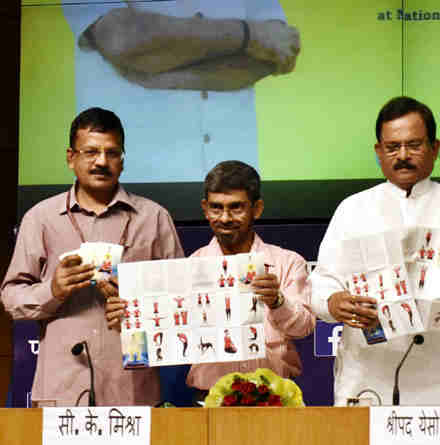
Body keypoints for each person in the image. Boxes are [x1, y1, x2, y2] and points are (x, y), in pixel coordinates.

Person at [310, 96, 440, 406]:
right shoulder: (352, 210)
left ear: (435, 148)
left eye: (414, 145)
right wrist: (334, 302)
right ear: (378, 152)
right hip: (372, 378)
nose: (403, 156)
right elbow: (320, 285)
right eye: (392, 147)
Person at [1, 107, 184, 406]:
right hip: (62, 392)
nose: (102, 162)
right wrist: (53, 290)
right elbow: (11, 298)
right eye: (91, 152)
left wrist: (141, 311)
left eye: (112, 153)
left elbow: (182, 301)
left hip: (132, 393)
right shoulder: (41, 218)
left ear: (123, 160)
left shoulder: (154, 218)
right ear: (71, 158)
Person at [106, 160, 314, 400]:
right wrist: (129, 319)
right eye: (216, 208)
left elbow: (304, 328)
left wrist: (277, 301)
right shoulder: (187, 268)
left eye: (236, 207)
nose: (225, 218)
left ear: (257, 208)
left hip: (276, 399)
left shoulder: (287, 262)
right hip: (208, 401)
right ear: (205, 208)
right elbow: (159, 336)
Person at [62, 1, 300, 182]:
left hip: (234, 185)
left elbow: (278, 51)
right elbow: (123, 38)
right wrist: (250, 35)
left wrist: (158, 73)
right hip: (135, 183)